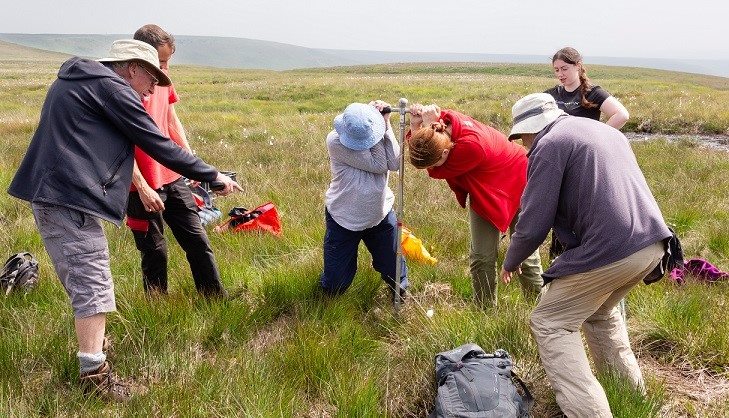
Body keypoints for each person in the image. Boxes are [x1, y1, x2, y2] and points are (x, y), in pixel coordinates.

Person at [7, 39, 242, 402]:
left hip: (59, 193)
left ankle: (95, 347)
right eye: (152, 78)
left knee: (87, 278)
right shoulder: (113, 90)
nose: (153, 88)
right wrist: (213, 176)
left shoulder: (79, 80)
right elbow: (157, 142)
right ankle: (94, 376)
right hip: (69, 197)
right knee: (93, 282)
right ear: (132, 67)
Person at [501, 93, 671, 417]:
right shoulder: (605, 132)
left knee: (550, 322)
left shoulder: (549, 145)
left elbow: (534, 220)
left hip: (612, 251)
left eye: (522, 136)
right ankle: (632, 400)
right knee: (601, 313)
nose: (524, 145)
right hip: (652, 244)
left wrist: (512, 260)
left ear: (534, 128)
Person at [407, 104, 543, 308]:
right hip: (485, 188)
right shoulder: (440, 126)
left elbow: (438, 172)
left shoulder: (472, 147)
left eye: (434, 163)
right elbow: (424, 151)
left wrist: (425, 125)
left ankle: (541, 310)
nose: (432, 169)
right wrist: (417, 124)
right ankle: (485, 310)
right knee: (481, 257)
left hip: (519, 182)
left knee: (526, 255)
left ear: (446, 152)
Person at [126, 24, 226, 297]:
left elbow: (171, 119)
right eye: (159, 62)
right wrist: (143, 187)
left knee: (197, 240)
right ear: (139, 58)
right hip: (141, 186)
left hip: (172, 176)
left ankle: (215, 298)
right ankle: (157, 312)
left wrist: (190, 161)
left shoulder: (162, 80)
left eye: (168, 62)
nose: (164, 69)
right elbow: (120, 145)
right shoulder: (126, 89)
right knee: (154, 251)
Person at [546, 46, 631, 260]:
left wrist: (597, 139)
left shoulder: (592, 92)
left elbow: (621, 114)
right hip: (559, 164)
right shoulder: (550, 96)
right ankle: (559, 258)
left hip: (584, 164)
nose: (560, 74)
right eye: (556, 70)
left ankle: (589, 254)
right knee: (559, 209)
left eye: (564, 68)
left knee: (584, 209)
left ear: (578, 66)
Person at [320, 101, 408, 302]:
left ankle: (400, 294)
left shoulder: (374, 131)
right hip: (344, 218)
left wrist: (383, 125)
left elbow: (394, 163)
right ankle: (327, 297)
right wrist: (377, 126)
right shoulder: (335, 141)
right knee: (336, 283)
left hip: (380, 215)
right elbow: (379, 165)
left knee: (394, 269)